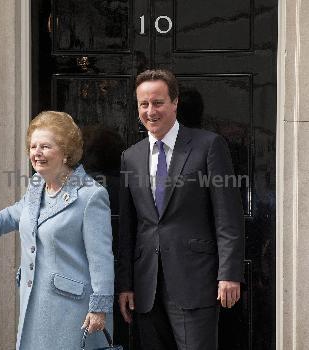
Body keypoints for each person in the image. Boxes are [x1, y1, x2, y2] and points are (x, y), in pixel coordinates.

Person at [0, 111, 115, 350]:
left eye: (45, 146)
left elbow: (102, 259)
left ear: (66, 152)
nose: (36, 152)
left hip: (72, 310)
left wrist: (99, 308)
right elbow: (15, 214)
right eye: (33, 146)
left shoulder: (90, 195)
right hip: (34, 302)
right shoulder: (37, 185)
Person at [117, 70, 244, 350]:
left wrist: (229, 274)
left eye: (158, 102)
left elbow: (228, 217)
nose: (151, 111)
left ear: (174, 102)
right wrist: (125, 284)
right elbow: (128, 227)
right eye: (144, 104)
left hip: (195, 281)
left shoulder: (208, 146)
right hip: (146, 285)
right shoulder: (131, 156)